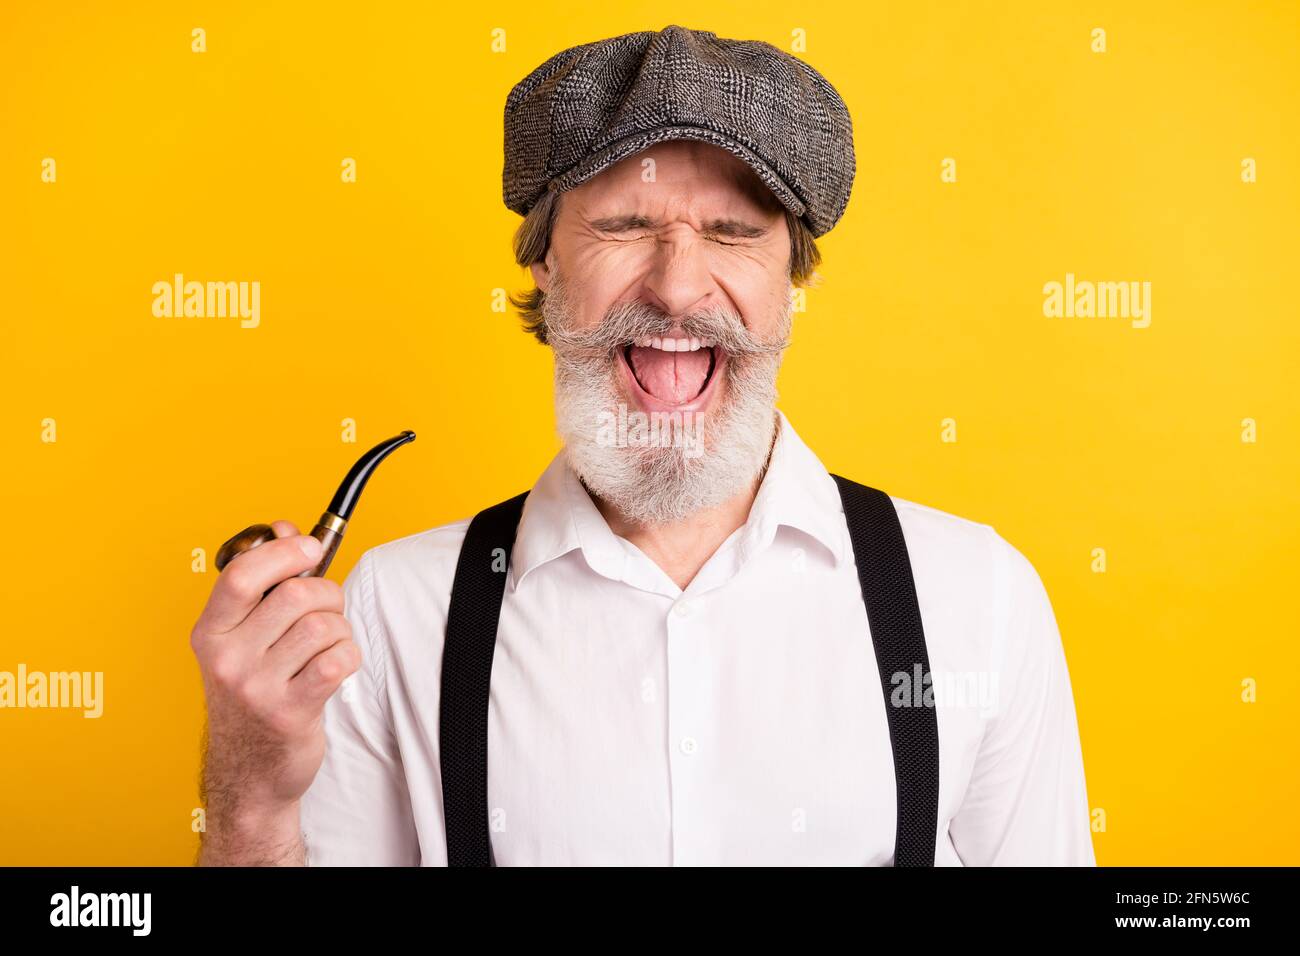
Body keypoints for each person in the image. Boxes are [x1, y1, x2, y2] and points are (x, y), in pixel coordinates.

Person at [190, 25, 1095, 866]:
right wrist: (252, 798)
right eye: (624, 227)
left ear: (791, 281)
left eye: (735, 234)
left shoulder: (976, 599)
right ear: (544, 266)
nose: (677, 286)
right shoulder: (394, 611)